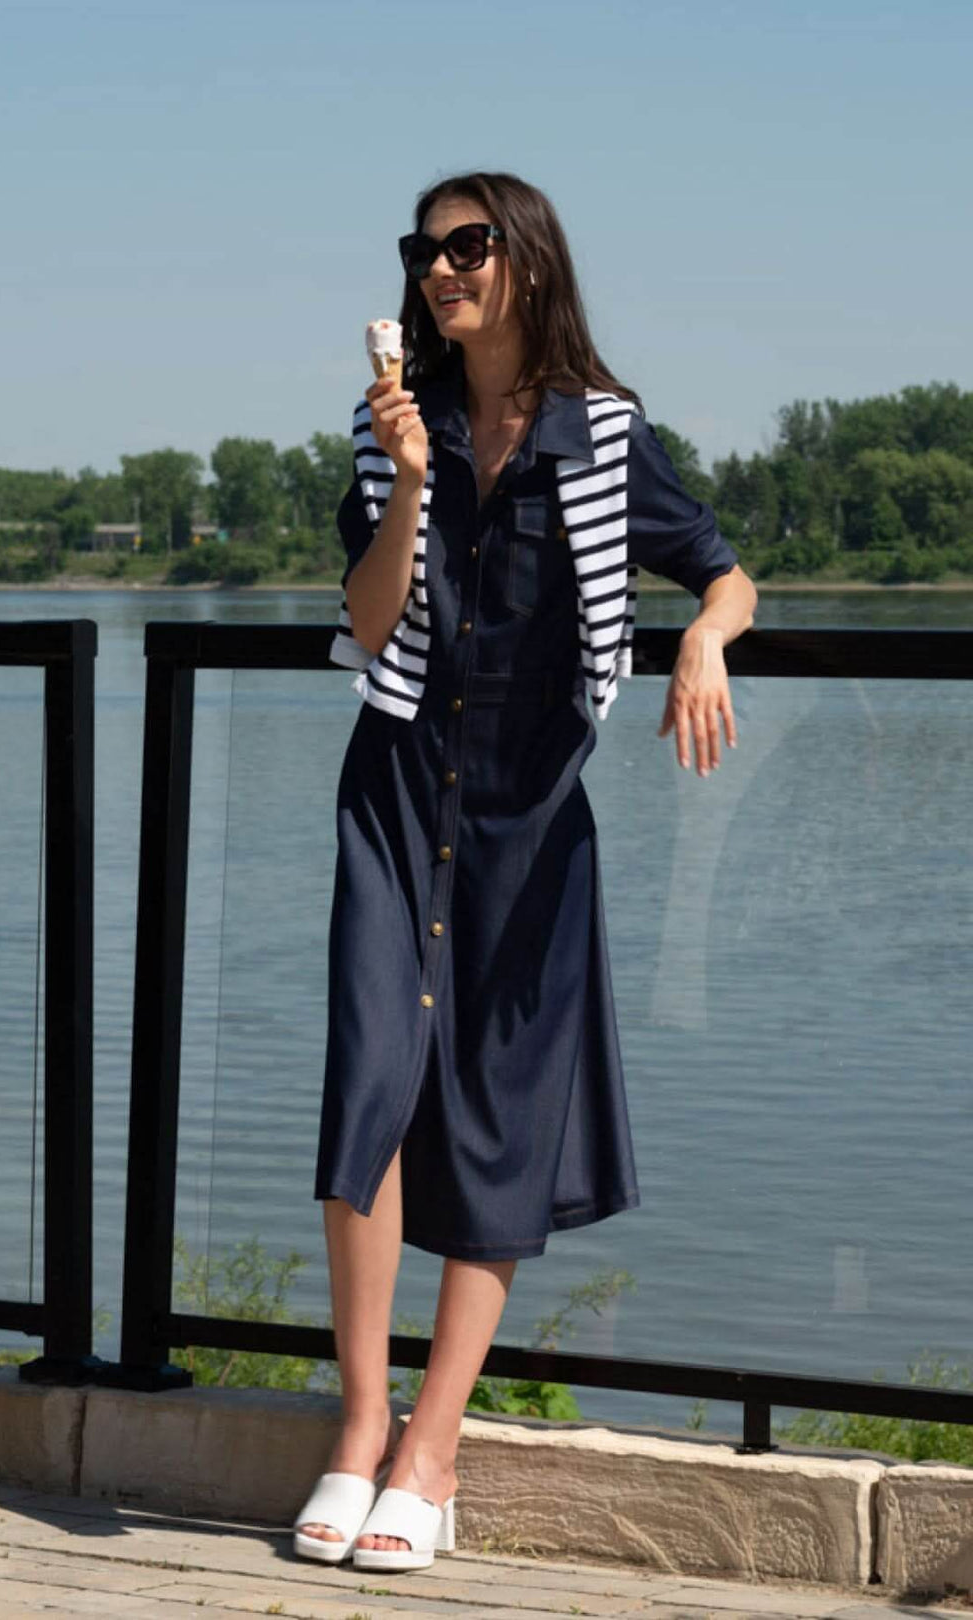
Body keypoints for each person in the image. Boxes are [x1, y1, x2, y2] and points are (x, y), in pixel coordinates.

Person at [294, 170, 757, 1572]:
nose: (441, 270)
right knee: (372, 1087)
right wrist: (413, 486)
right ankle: (361, 1430)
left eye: (468, 246)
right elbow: (374, 626)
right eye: (424, 251)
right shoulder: (396, 433)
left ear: (528, 265)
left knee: (496, 1113)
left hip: (529, 816)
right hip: (396, 794)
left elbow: (723, 571)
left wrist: (701, 641)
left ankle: (434, 1452)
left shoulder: (609, 438)